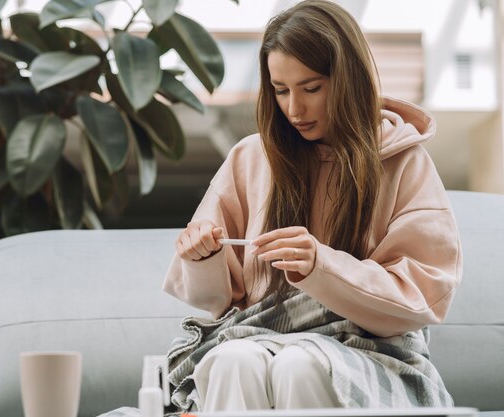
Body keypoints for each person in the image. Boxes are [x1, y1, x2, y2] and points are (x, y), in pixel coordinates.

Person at [163, 0, 461, 411]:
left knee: (301, 366)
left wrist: (321, 267)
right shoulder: (251, 158)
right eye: (280, 90)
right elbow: (218, 301)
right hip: (258, 336)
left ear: (349, 79)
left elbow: (424, 295)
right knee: (229, 360)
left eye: (311, 88)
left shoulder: (403, 161)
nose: (294, 109)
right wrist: (203, 257)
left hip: (372, 349)